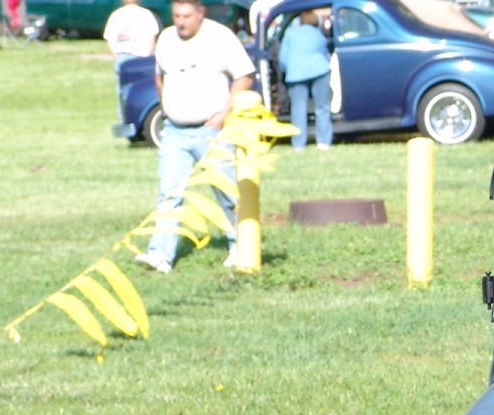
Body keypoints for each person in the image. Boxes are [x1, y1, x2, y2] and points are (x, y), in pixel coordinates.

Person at [135, 0, 256, 273]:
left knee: (227, 192)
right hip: (175, 132)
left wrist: (224, 114)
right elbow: (159, 77)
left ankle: (241, 246)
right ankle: (160, 255)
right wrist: (167, 108)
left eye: (186, 16)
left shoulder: (220, 36)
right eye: (176, 16)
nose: (181, 22)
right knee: (169, 194)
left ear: (201, 13)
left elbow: (245, 76)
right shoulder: (167, 39)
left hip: (212, 130)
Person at [278, 8, 333, 151]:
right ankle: (324, 142)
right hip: (320, 70)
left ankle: (299, 143)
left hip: (296, 73)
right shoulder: (318, 34)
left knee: (298, 108)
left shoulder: (290, 33)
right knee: (322, 107)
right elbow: (326, 52)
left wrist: (287, 70)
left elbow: (283, 59)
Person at [102, 0, 159, 124]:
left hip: (131, 58)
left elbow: (109, 40)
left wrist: (116, 57)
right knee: (140, 91)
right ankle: (133, 120)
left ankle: (125, 120)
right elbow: (152, 40)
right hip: (137, 58)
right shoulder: (145, 14)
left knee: (124, 93)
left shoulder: (117, 15)